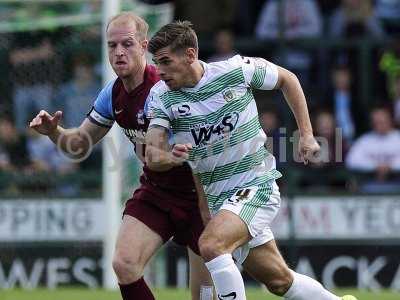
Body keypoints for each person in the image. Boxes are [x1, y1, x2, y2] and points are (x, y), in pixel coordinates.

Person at [145, 21, 357, 300]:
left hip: (257, 184)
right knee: (279, 281)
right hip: (220, 200)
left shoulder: (235, 70)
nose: (159, 71)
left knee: (210, 244)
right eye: (156, 63)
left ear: (190, 54)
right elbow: (151, 154)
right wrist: (169, 157)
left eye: (165, 61)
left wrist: (306, 135)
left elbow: (287, 79)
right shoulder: (161, 95)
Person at [29, 12, 212, 300]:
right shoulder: (112, 93)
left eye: (127, 44)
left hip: (201, 193)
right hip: (158, 191)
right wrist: (54, 132)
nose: (118, 52)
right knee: (124, 264)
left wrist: (207, 204)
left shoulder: (168, 86)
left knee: (207, 296)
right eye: (112, 46)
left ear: (144, 46)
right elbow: (78, 145)